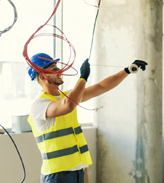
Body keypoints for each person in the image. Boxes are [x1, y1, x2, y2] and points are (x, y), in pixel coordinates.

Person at [27, 53, 147, 183]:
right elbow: (68, 106)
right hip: (56, 175)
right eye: (54, 69)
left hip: (79, 169)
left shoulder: (67, 96)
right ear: (43, 76)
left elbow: (101, 87)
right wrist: (82, 78)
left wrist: (127, 70)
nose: (60, 71)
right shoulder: (40, 105)